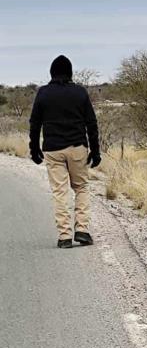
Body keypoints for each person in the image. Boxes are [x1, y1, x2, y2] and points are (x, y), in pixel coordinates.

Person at [29, 55, 101, 249]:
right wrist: (95, 151)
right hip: (77, 147)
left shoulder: (43, 93)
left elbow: (35, 123)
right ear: (70, 72)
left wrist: (34, 148)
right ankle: (82, 230)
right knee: (81, 188)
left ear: (52, 72)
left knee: (59, 192)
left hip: (53, 149)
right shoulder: (80, 93)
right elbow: (91, 123)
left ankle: (64, 236)